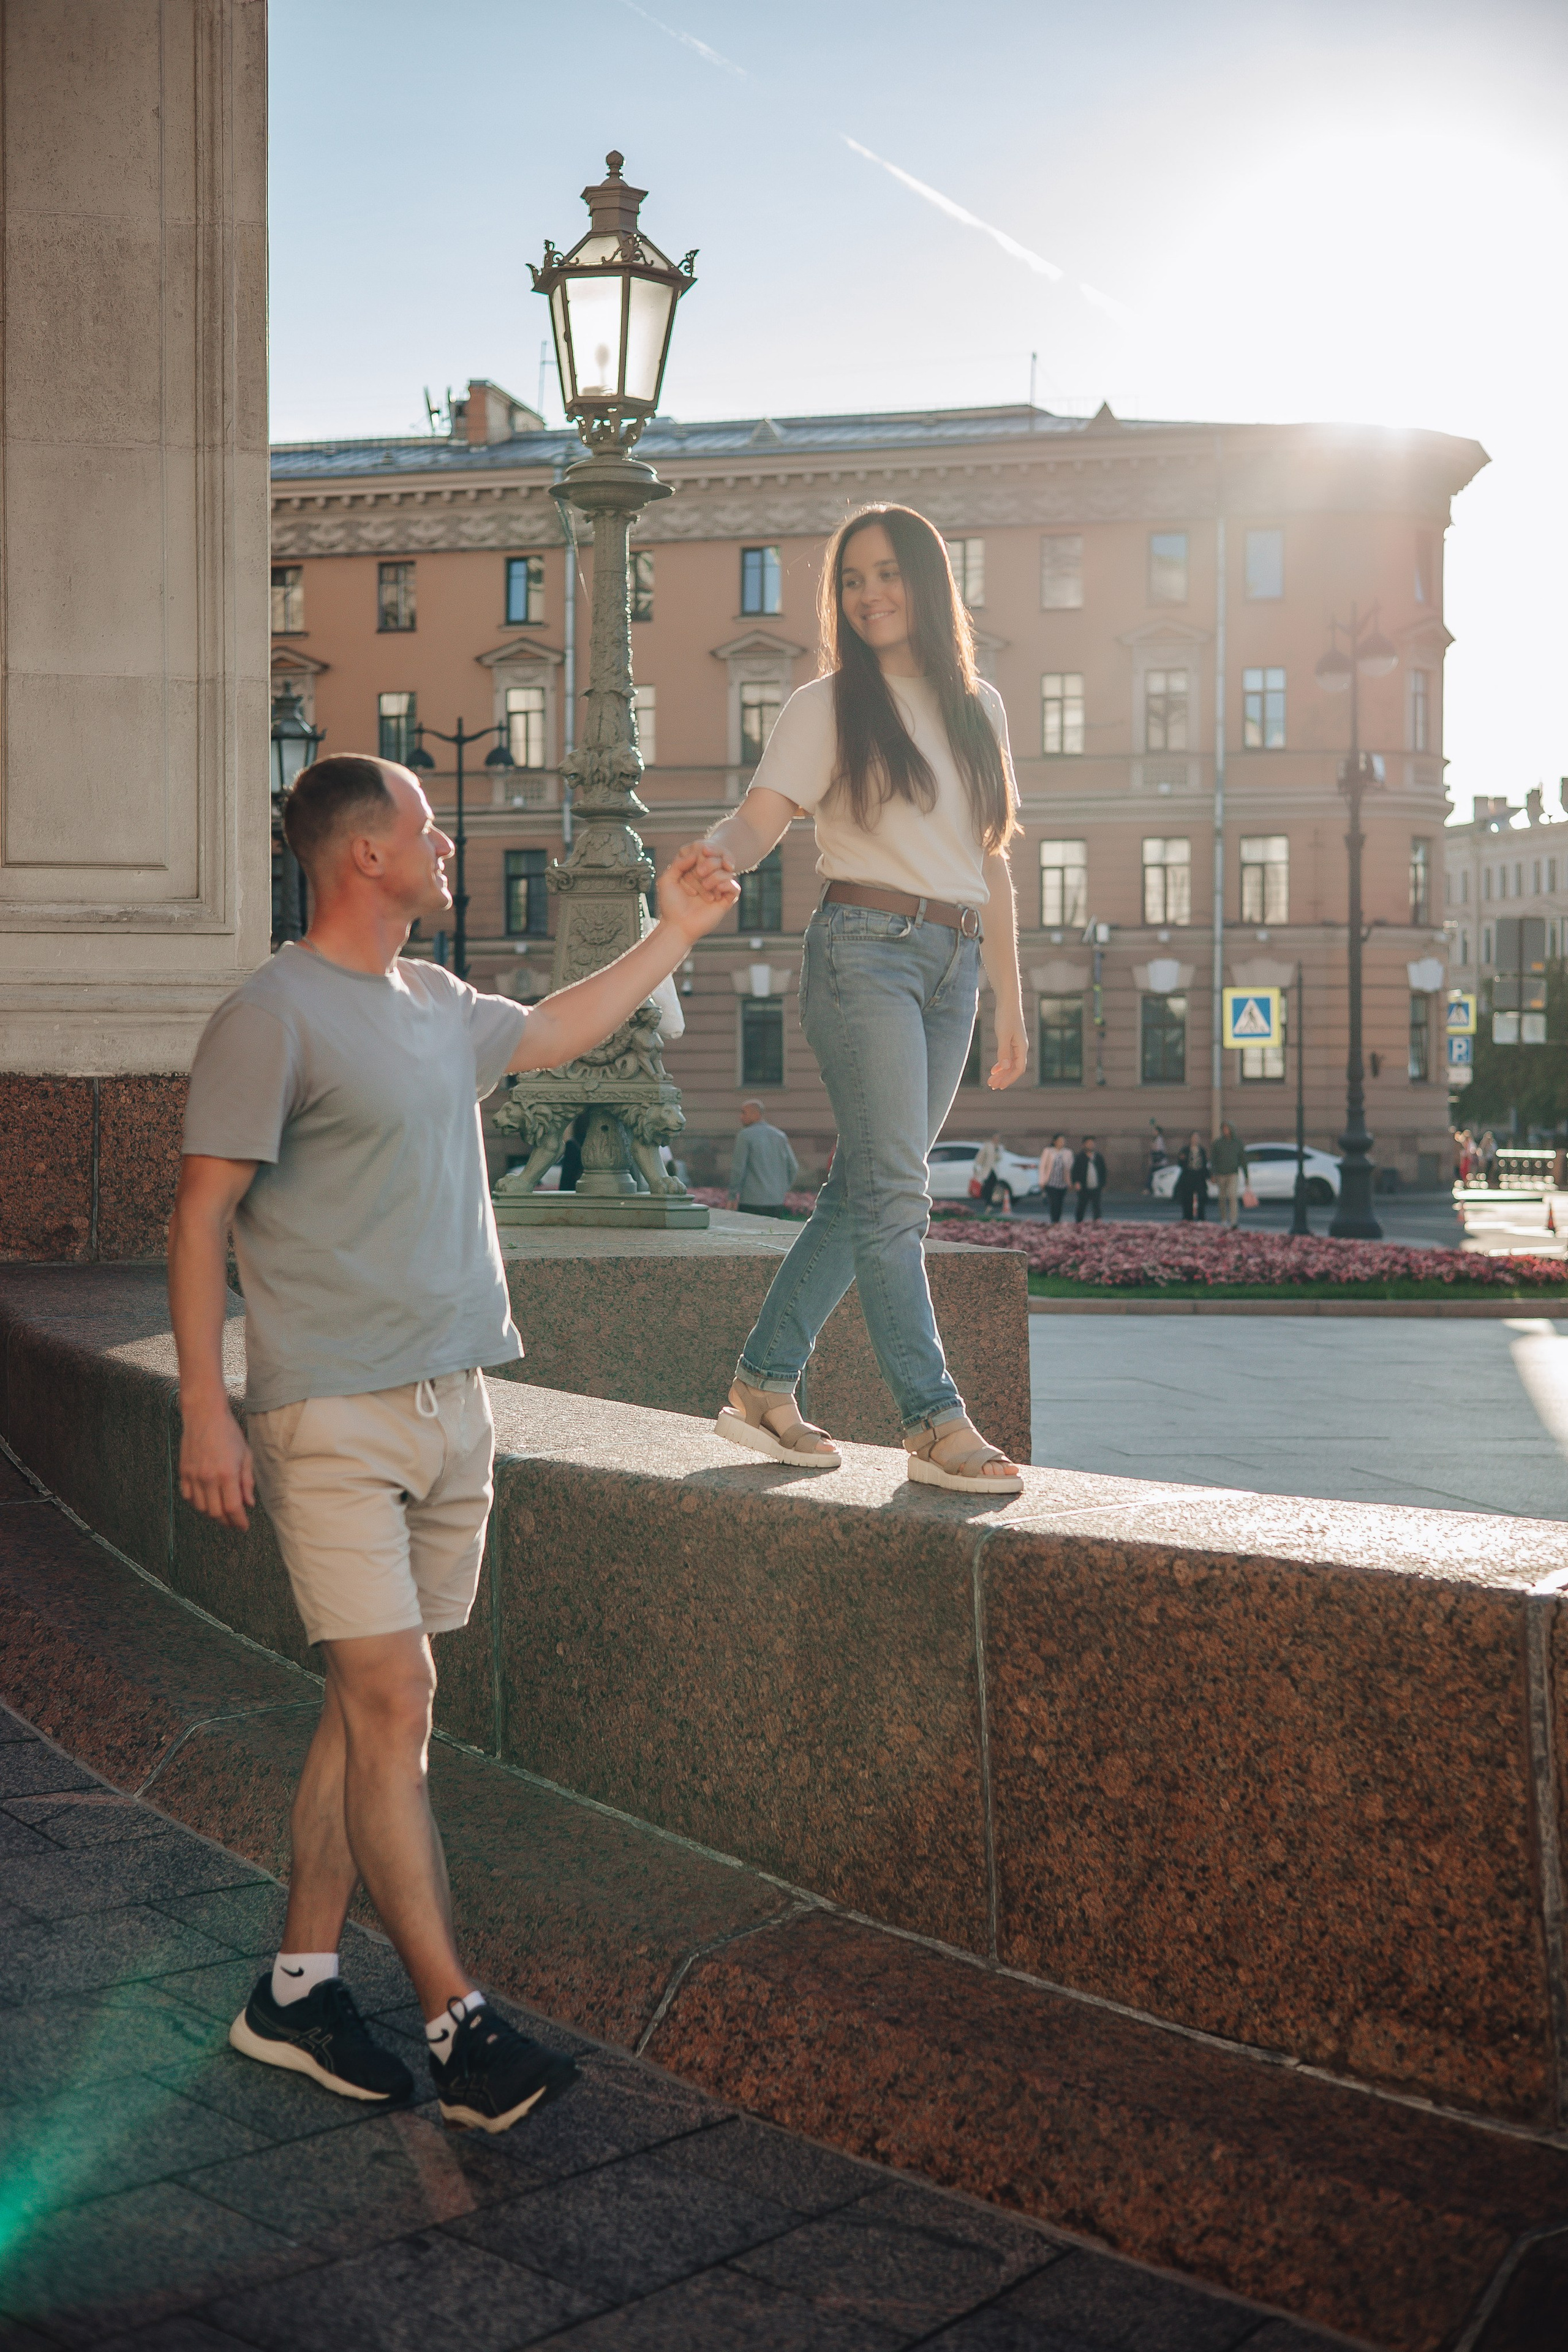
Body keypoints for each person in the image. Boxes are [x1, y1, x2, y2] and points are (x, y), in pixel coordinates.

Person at [169, 753, 738, 2130]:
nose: (448, 852)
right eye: (427, 832)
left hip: (451, 1405)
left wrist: (674, 931)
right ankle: (456, 2023)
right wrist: (206, 1406)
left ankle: (296, 1991)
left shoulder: (435, 1004)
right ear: (364, 855)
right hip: (333, 1417)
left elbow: (553, 1032)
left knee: (367, 1707)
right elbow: (197, 1223)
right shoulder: (271, 1016)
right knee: (395, 1705)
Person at [696, 504, 1027, 1495]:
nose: (870, 593)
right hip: (864, 954)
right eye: (852, 579)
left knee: (864, 1192)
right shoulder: (828, 705)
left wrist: (1008, 1003)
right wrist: (711, 861)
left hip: (952, 965)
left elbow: (994, 865)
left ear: (929, 583)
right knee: (896, 1196)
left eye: (888, 574)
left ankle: (763, 1386)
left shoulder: (983, 708)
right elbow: (760, 822)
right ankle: (932, 1421)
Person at [729, 1099, 799, 1218]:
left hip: (750, 1201)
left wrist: (732, 1196)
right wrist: (781, 1189)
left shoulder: (745, 1136)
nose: (741, 1117)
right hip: (776, 1201)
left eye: (744, 1113)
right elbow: (794, 1168)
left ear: (756, 1114)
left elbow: (738, 1169)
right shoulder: (780, 1136)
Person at [1210, 1121, 1249, 1228]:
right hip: (1221, 1174)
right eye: (1224, 1128)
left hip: (1233, 1174)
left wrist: (1246, 1176)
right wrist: (1212, 1174)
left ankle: (1234, 1221)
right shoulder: (1218, 1144)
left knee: (1233, 1196)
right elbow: (1213, 1160)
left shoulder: (1237, 1143)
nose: (1225, 1130)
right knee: (1222, 1198)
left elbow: (1243, 1160)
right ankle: (1223, 1219)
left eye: (1227, 1128)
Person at [1174, 1129, 1210, 1221]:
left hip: (1199, 1176)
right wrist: (1182, 1159)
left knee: (1201, 1197)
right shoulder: (1185, 1150)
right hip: (1188, 1176)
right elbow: (1181, 1163)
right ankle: (1188, 1217)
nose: (1195, 1140)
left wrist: (1208, 1176)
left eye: (1197, 1138)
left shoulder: (1202, 1150)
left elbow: (1205, 1164)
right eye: (1194, 1138)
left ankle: (1201, 1217)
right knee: (1187, 1198)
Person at [1038, 1133, 1073, 1226]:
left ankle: (1058, 1220)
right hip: (1051, 1182)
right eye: (1060, 1141)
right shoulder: (1048, 1151)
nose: (1062, 1143)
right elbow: (1043, 1166)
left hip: (1062, 1182)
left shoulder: (1068, 1152)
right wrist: (1042, 1181)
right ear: (1055, 1142)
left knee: (1060, 1202)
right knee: (1054, 1202)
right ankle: (1054, 1220)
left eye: (1063, 1141)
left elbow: (1070, 1168)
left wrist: (1070, 1182)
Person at [1071, 1135, 1107, 1223]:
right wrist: (1076, 1182)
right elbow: (1074, 1171)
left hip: (1096, 1186)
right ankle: (1079, 1222)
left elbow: (1103, 1171)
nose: (1091, 1145)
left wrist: (1102, 1184)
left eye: (1092, 1143)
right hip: (1083, 1187)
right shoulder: (1080, 1157)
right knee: (1082, 1205)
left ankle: (1097, 1222)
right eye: (1088, 1143)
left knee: (1097, 1205)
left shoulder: (1098, 1157)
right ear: (1084, 1145)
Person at [973, 1132, 1011, 1216]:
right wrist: (978, 1167)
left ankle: (989, 1205)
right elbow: (981, 1156)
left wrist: (997, 1150)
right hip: (987, 1170)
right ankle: (988, 1204)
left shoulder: (1000, 1148)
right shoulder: (988, 1146)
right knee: (986, 1189)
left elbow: (999, 1158)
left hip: (995, 1171)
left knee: (990, 1187)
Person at [1147, 1122, 1168, 1193]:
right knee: (1154, 1176)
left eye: (1155, 1131)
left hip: (1158, 1162)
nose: (1154, 1132)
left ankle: (1150, 1189)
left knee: (1154, 1176)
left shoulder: (1159, 1139)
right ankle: (1152, 1189)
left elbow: (1157, 1151)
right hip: (1157, 1162)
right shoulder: (1156, 1139)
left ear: (1158, 1132)